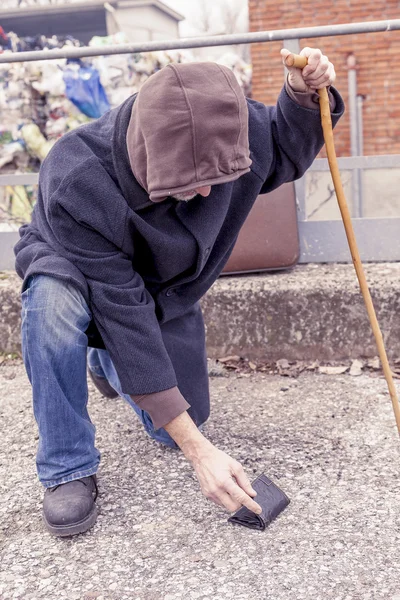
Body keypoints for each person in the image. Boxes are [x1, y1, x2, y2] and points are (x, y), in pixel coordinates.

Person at [14, 47, 344, 537]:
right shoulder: (78, 174)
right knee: (54, 310)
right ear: (149, 158)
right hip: (74, 260)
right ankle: (67, 465)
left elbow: (284, 143)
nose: (210, 196)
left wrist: (302, 93)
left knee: (176, 424)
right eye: (192, 185)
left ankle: (101, 360)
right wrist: (201, 453)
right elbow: (122, 308)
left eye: (218, 179)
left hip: (163, 286)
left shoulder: (230, 129)